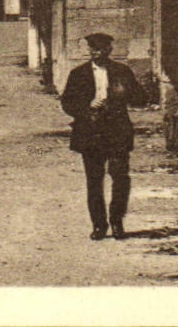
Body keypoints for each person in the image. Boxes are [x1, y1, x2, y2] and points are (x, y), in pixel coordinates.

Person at [60, 32, 145, 239]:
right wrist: (87, 105)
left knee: (120, 178)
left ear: (109, 50)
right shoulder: (78, 74)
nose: (95, 53)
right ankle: (99, 225)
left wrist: (125, 93)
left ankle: (117, 222)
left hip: (117, 131)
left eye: (100, 49)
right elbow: (67, 103)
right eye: (92, 49)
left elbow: (140, 98)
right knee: (94, 180)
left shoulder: (122, 71)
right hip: (90, 132)